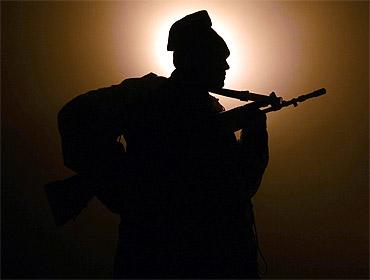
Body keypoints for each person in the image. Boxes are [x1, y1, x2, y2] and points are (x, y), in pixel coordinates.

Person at [56, 10, 269, 278]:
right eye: (219, 59)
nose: (226, 67)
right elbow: (75, 117)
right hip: (160, 257)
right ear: (196, 59)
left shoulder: (212, 110)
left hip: (221, 258)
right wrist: (117, 179)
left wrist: (255, 135)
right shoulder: (148, 96)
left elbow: (238, 188)